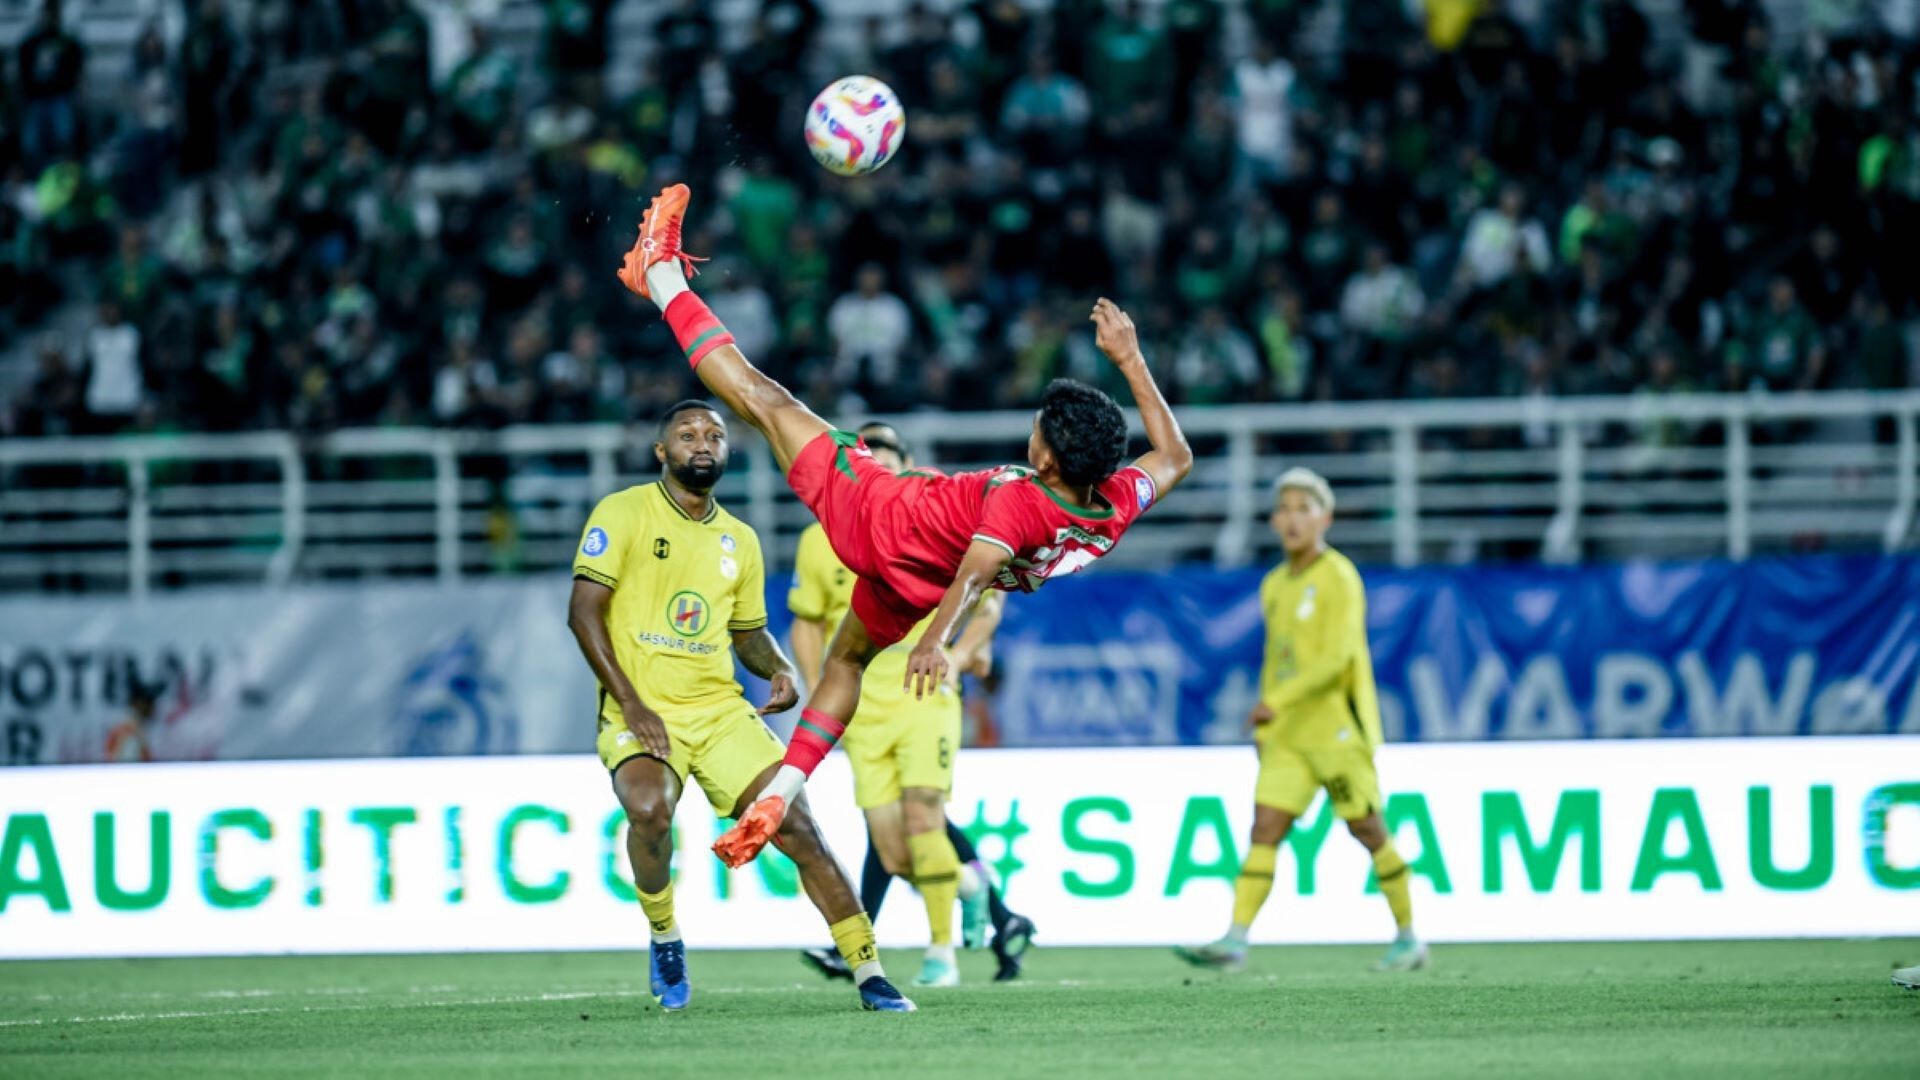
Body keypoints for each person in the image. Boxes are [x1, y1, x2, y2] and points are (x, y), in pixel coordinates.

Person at [615, 183, 1193, 869]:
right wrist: (1129, 361)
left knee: (761, 398)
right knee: (847, 661)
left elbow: (980, 571)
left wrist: (937, 644)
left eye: (1037, 433)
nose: (1030, 435)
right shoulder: (1111, 504)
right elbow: (1176, 455)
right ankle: (781, 793)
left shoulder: (1023, 500)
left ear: (1048, 457)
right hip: (913, 581)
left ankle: (657, 271)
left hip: (880, 516)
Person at [566, 400, 914, 1013]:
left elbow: (747, 633)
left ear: (727, 451)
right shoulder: (622, 513)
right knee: (649, 810)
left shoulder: (740, 539)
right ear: (661, 451)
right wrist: (630, 702)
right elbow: (582, 612)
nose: (702, 442)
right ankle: (665, 934)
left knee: (798, 825)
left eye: (715, 434)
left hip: (721, 712)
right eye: (687, 433)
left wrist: (777, 665)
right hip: (640, 708)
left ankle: (869, 970)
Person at [790, 421, 1036, 987]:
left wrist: (960, 654)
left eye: (889, 454)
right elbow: (807, 622)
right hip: (863, 711)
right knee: (896, 855)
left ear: (906, 462)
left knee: (926, 814)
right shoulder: (819, 537)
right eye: (867, 457)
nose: (879, 463)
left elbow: (990, 597)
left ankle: (941, 954)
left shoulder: (944, 512)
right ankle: (973, 886)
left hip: (925, 697)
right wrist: (818, 691)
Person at [1176, 468, 1428, 973]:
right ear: (1273, 521)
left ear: (1325, 518)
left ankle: (1409, 937)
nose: (1292, 519)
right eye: (1284, 509)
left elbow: (1338, 659)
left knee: (1367, 829)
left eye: (1303, 509)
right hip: (1289, 733)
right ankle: (1235, 940)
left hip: (1335, 729)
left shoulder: (1339, 576)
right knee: (1264, 828)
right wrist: (1270, 722)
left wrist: (1276, 701)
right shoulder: (1274, 585)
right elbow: (1278, 658)